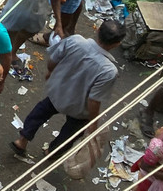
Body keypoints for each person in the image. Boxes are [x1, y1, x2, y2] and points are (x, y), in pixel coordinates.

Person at [11, 20, 124, 159]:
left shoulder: (76, 41)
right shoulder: (109, 71)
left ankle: (22, 140)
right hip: (79, 107)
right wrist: (93, 121)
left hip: (58, 92)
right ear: (117, 43)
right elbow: (94, 100)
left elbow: (54, 58)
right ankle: (51, 152)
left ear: (98, 30)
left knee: (40, 112)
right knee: (70, 132)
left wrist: (50, 72)